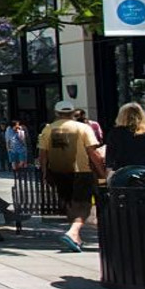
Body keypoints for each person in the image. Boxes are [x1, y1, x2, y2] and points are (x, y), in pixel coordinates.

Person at [38, 100, 99, 252]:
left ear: (57, 113)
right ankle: (73, 233)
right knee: (84, 204)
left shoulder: (48, 130)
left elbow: (42, 155)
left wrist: (45, 173)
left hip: (58, 172)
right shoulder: (83, 128)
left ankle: (76, 237)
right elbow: (93, 152)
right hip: (81, 171)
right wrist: (101, 171)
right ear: (72, 113)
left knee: (70, 204)